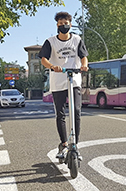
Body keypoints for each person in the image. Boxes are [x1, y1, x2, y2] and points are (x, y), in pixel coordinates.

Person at [38, 11, 89, 160]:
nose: (63, 26)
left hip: (74, 80)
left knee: (76, 111)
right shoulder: (51, 41)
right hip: (58, 81)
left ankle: (75, 144)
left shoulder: (77, 40)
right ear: (57, 26)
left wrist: (84, 66)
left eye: (66, 24)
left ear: (70, 25)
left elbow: (83, 57)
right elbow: (43, 60)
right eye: (60, 24)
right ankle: (64, 143)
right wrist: (53, 66)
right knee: (60, 113)